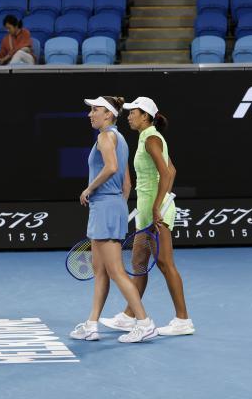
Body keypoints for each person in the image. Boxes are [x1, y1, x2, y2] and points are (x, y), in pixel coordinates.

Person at [100, 97, 195, 337]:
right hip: (146, 210)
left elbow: (165, 173)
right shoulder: (147, 138)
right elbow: (172, 170)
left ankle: (183, 320)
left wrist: (157, 207)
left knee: (165, 264)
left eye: (134, 112)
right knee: (138, 264)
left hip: (155, 212)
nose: (129, 115)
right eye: (130, 112)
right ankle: (128, 316)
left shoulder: (151, 138)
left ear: (146, 117)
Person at [70, 96, 159, 344]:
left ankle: (144, 323)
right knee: (100, 271)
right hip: (111, 206)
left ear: (108, 114)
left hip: (105, 208)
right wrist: (116, 203)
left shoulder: (104, 137)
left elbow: (110, 168)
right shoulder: (120, 139)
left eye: (95, 110)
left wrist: (90, 190)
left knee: (117, 272)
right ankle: (91, 325)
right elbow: (126, 182)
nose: (90, 114)